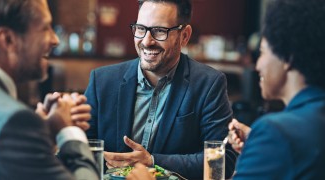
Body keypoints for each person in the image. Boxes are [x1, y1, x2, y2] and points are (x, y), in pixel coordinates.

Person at [84, 0, 237, 179]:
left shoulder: (209, 84)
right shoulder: (102, 81)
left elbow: (222, 160)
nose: (147, 41)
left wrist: (152, 160)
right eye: (141, 28)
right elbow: (78, 151)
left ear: (184, 36)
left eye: (159, 31)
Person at [0, 0, 99, 179]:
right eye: (46, 28)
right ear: (8, 39)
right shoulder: (15, 121)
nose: (55, 40)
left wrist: (42, 132)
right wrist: (69, 132)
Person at [227, 0, 325, 179]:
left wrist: (263, 144)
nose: (257, 66)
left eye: (262, 52)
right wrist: (256, 145)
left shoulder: (274, 132)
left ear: (287, 58)